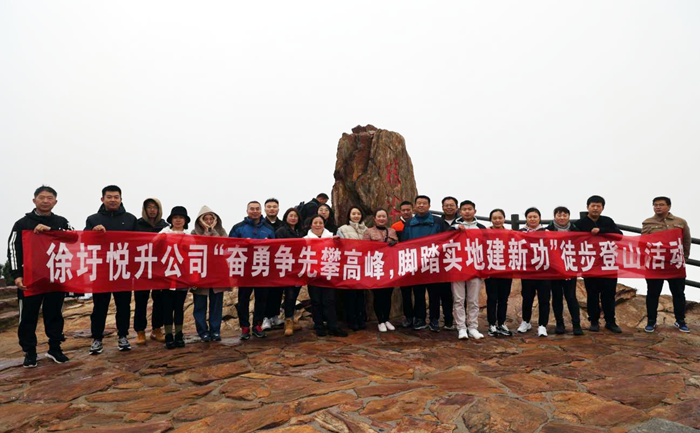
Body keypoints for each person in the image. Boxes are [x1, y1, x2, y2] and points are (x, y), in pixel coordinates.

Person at [7, 186, 72, 367]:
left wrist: (51, 230)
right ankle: (30, 352)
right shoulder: (22, 223)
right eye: (41, 197)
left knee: (55, 314)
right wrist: (17, 275)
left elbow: (74, 237)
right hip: (30, 279)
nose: (45, 201)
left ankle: (55, 348)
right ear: (34, 200)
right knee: (28, 316)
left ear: (55, 202)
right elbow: (13, 249)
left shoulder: (61, 221)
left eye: (49, 198)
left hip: (55, 277)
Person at [86, 185, 137, 355]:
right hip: (101, 270)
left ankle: (123, 336)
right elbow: (84, 241)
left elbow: (138, 243)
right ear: (102, 199)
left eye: (116, 197)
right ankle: (97, 338)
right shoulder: (93, 219)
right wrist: (92, 232)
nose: (113, 200)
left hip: (123, 269)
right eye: (109, 197)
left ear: (121, 199)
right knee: (99, 307)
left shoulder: (131, 219)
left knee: (123, 306)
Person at [642, 196, 692, 333]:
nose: (658, 207)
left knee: (678, 293)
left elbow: (686, 240)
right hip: (655, 265)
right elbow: (643, 242)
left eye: (661, 204)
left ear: (669, 206)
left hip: (674, 265)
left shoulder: (680, 222)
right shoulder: (648, 222)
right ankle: (651, 321)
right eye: (655, 205)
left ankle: (680, 321)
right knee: (653, 294)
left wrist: (684, 258)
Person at [575, 195, 623, 333]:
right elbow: (573, 241)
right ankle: (594, 321)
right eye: (593, 206)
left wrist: (601, 231)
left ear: (602, 208)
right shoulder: (580, 223)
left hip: (608, 264)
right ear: (587, 207)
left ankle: (610, 321)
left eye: (598, 206)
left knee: (609, 295)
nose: (595, 208)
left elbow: (619, 235)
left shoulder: (607, 221)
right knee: (592, 295)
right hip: (590, 265)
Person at [230, 201, 276, 339]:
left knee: (261, 299)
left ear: (261, 211)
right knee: (243, 300)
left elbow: (275, 248)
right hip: (244, 269)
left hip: (262, 269)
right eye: (252, 209)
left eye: (257, 209)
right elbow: (229, 246)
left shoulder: (268, 229)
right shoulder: (238, 228)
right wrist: (243, 244)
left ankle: (257, 326)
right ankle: (244, 327)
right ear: (247, 211)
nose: (255, 211)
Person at [402, 195, 447, 331]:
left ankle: (434, 319)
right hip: (417, 264)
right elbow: (404, 243)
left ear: (429, 205)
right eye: (419, 203)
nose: (421, 205)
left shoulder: (438, 221)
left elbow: (446, 239)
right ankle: (420, 318)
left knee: (434, 294)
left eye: (424, 203)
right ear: (415, 206)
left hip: (434, 264)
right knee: (418, 293)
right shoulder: (409, 223)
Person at [191, 206, 230, 342]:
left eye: (211, 219)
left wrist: (213, 232)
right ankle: (203, 332)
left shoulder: (221, 232)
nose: (208, 221)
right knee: (200, 305)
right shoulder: (194, 233)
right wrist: (206, 233)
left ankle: (215, 331)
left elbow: (224, 246)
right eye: (205, 219)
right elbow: (198, 247)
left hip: (218, 274)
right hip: (200, 274)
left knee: (216, 305)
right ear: (200, 221)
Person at [305, 215, 348, 337]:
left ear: (324, 224)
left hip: (329, 274)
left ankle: (333, 326)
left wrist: (338, 242)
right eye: (315, 222)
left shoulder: (332, 237)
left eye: (320, 222)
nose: (318, 225)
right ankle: (318, 325)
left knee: (329, 301)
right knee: (316, 301)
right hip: (313, 276)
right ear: (311, 225)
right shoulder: (305, 239)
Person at [134, 198, 168, 345]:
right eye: (149, 207)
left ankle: (157, 329)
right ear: (145, 209)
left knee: (159, 300)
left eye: (155, 207)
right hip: (142, 268)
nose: (152, 210)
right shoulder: (137, 225)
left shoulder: (165, 226)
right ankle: (140, 331)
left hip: (159, 269)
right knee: (141, 300)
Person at [450, 200, 486, 340]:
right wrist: (455, 228)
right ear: (460, 212)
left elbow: (486, 247)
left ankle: (473, 327)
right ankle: (461, 328)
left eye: (469, 209)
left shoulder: (481, 227)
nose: (467, 211)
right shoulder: (454, 227)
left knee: (473, 300)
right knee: (459, 300)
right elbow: (444, 240)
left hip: (475, 268)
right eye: (464, 209)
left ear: (475, 211)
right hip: (457, 268)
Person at [546, 206, 584, 336]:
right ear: (554, 216)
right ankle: (559, 324)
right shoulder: (547, 230)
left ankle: (576, 325)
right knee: (556, 297)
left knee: (571, 297)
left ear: (568, 217)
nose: (562, 217)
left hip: (570, 268)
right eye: (559, 215)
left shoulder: (575, 230)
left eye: (565, 215)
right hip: (554, 269)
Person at [517, 207, 551, 337]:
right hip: (528, 271)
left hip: (544, 271)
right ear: (526, 218)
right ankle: (526, 321)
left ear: (539, 218)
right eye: (530, 217)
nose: (532, 219)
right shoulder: (520, 233)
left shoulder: (547, 232)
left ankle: (542, 325)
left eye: (535, 217)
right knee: (527, 297)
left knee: (544, 299)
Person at [159, 206, 191, 349]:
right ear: (171, 220)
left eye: (181, 217)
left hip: (182, 276)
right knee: (167, 308)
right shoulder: (164, 233)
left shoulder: (189, 235)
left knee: (179, 308)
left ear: (185, 220)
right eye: (175, 217)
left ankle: (179, 334)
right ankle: (168, 335)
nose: (178, 220)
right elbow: (153, 246)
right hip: (166, 277)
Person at [363, 208, 399, 332]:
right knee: (378, 295)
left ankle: (387, 319)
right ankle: (380, 321)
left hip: (390, 268)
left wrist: (395, 244)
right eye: (379, 216)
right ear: (375, 218)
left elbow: (399, 248)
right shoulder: (368, 232)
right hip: (376, 268)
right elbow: (365, 249)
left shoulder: (392, 231)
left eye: (384, 216)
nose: (381, 218)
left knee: (388, 295)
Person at [337, 206, 369, 331]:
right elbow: (338, 246)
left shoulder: (366, 230)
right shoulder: (342, 229)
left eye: (358, 213)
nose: (356, 216)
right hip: (349, 266)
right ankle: (351, 320)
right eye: (353, 213)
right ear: (349, 215)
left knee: (361, 295)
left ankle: (361, 319)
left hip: (363, 266)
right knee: (350, 295)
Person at [275, 208, 305, 336]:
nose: (293, 218)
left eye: (295, 216)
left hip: (300, 268)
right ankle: (288, 321)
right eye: (290, 216)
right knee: (290, 294)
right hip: (287, 267)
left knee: (295, 294)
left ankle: (292, 318)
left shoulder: (301, 231)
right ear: (286, 217)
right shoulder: (281, 231)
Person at [484, 209, 513, 337]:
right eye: (494, 218)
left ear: (504, 219)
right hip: (491, 271)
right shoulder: (485, 233)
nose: (497, 220)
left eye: (500, 218)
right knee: (492, 298)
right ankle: (492, 324)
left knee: (503, 299)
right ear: (491, 220)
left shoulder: (510, 233)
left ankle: (501, 323)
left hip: (506, 271)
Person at [391, 201, 416, 328]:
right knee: (405, 293)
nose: (406, 212)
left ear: (412, 210)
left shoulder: (418, 222)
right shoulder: (395, 226)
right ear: (400, 211)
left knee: (419, 292)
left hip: (419, 262)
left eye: (408, 209)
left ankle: (419, 317)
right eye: (403, 210)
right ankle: (408, 316)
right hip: (403, 263)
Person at [436, 196, 458, 330]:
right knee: (445, 294)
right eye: (446, 205)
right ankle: (448, 320)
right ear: (442, 207)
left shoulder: (462, 222)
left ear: (457, 207)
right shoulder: (437, 223)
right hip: (442, 263)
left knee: (461, 295)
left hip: (460, 262)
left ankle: (461, 321)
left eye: (451, 205)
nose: (449, 207)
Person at [262, 198, 284, 331]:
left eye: (274, 206)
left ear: (278, 209)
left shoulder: (283, 224)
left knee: (277, 290)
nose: (272, 209)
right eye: (269, 206)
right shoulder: (261, 224)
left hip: (279, 262)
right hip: (264, 262)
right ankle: (265, 318)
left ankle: (275, 315)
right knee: (265, 291)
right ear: (265, 209)